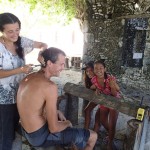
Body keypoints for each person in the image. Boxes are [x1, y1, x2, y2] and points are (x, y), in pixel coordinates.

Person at [17, 47, 97, 150]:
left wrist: (56, 111)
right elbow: (54, 128)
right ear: (49, 63)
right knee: (93, 136)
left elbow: (33, 106)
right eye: (61, 64)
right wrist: (67, 123)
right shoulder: (50, 86)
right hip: (39, 137)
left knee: (60, 119)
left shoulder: (28, 77)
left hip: (26, 131)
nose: (63, 68)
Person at [0, 12, 47, 150]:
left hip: (21, 95)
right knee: (6, 134)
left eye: (17, 30)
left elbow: (43, 44)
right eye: (10, 31)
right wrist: (20, 70)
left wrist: (41, 54)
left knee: (17, 128)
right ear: (2, 31)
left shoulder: (20, 41)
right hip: (4, 100)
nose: (15, 34)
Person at [91, 60, 121, 150]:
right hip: (104, 101)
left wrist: (112, 86)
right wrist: (95, 89)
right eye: (96, 68)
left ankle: (110, 143)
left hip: (114, 101)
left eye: (101, 68)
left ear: (105, 69)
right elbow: (93, 87)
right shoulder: (94, 79)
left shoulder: (110, 78)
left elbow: (115, 93)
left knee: (112, 124)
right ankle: (111, 133)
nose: (98, 70)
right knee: (103, 120)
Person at [82, 61, 100, 132]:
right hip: (98, 97)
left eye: (91, 70)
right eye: (87, 71)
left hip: (108, 98)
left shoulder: (101, 77)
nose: (89, 72)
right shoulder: (89, 79)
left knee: (99, 116)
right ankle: (85, 131)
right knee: (87, 110)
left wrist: (98, 87)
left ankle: (95, 134)